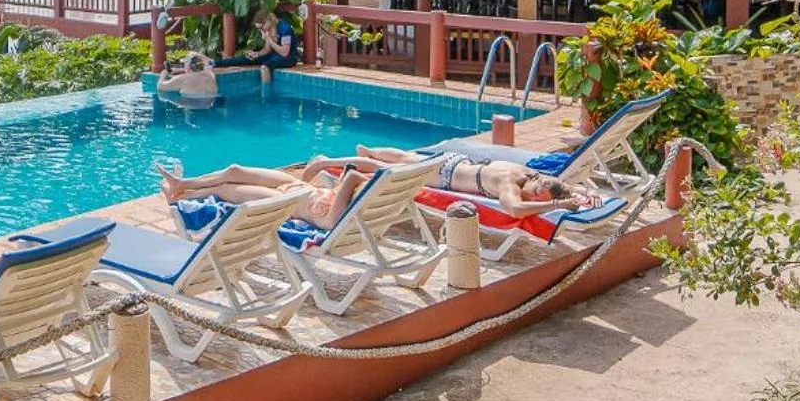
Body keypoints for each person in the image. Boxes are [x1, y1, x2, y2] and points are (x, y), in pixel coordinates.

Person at [155, 153, 398, 232]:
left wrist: (362, 182)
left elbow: (354, 177)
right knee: (234, 169)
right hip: (300, 188)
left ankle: (179, 198)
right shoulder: (351, 198)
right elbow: (361, 170)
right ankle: (182, 183)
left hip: (285, 202)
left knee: (226, 189)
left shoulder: (332, 218)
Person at [353, 144, 599, 217]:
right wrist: (556, 205)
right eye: (535, 194)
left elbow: (561, 186)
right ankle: (356, 161)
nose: (531, 198)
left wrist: (586, 193)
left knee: (408, 156)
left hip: (457, 160)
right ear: (538, 183)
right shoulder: (508, 184)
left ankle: (370, 150)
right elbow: (514, 209)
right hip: (444, 175)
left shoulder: (529, 174)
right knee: (387, 169)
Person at [214, 10, 301, 80]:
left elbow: (285, 53)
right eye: (259, 28)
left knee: (265, 67)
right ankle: (214, 63)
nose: (261, 30)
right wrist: (257, 54)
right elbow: (267, 50)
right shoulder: (268, 29)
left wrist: (269, 40)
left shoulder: (285, 28)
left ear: (268, 20)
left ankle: (265, 95)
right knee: (246, 59)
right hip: (275, 55)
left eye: (261, 27)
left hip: (289, 57)